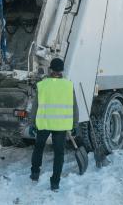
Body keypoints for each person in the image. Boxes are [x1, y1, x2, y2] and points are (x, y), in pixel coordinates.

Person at [29, 58, 79, 191]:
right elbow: (74, 106)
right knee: (59, 154)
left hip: (44, 124)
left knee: (38, 148)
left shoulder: (42, 84)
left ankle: (34, 174)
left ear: (50, 69)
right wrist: (75, 124)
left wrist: (32, 123)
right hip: (61, 126)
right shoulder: (68, 85)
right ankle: (55, 183)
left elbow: (35, 106)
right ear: (62, 70)